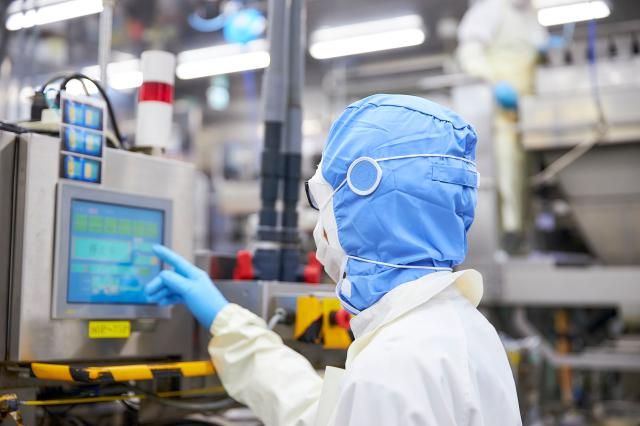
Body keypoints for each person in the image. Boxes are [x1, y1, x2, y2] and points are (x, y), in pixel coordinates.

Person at [146, 94, 521, 425]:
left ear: (363, 198)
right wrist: (224, 319)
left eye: (323, 200)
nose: (320, 225)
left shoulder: (392, 365)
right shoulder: (466, 330)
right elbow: (324, 413)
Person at [457, 0, 548, 252]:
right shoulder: (490, 10)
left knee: (528, 178)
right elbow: (469, 54)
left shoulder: (531, 15)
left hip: (530, 115)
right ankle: (508, 237)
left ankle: (526, 238)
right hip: (499, 116)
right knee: (506, 174)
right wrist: (494, 84)